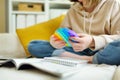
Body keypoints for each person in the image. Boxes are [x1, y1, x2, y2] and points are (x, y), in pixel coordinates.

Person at [28, 0, 120, 65]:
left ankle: (91, 59)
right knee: (34, 45)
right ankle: (82, 58)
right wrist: (56, 41)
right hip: (78, 50)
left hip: (104, 50)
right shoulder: (73, 9)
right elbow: (63, 32)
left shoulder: (113, 3)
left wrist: (92, 41)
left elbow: (118, 37)